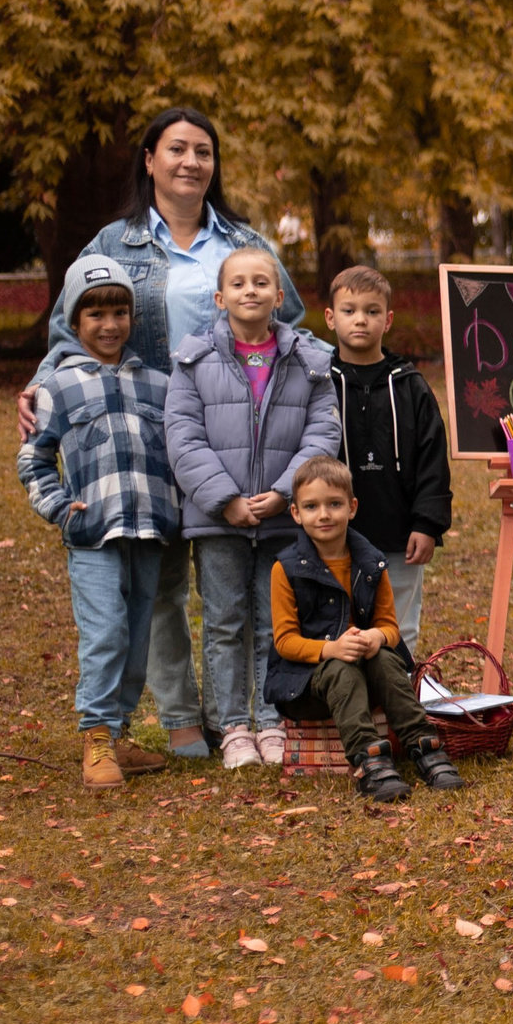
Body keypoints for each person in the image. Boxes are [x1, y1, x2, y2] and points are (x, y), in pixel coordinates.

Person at [19, 108, 305, 758]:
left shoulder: (244, 241)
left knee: (242, 580)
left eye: (203, 151)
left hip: (235, 432)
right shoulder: (112, 245)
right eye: (176, 149)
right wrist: (41, 385)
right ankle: (183, 721)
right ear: (148, 159)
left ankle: (250, 712)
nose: (190, 162)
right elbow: (71, 330)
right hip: (147, 430)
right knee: (163, 581)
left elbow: (289, 320)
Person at [163, 247, 341, 770]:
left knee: (274, 622)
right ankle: (233, 726)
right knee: (223, 620)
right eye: (238, 283)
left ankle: (271, 720)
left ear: (279, 297)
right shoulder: (193, 360)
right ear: (220, 297)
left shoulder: (309, 361)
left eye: (261, 282)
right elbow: (183, 437)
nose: (250, 291)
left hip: (284, 520)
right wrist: (226, 500)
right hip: (218, 521)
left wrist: (287, 491)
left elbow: (323, 430)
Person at [17, 257, 178, 789]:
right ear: (74, 320)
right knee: (105, 630)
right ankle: (96, 736)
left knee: (136, 635)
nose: (109, 325)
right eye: (95, 315)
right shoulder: (57, 388)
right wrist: (61, 508)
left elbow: (178, 453)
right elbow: (34, 460)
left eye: (120, 312)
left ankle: (120, 731)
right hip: (93, 534)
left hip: (150, 531)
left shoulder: (158, 384)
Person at [264, 455, 461, 804]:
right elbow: (285, 641)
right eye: (311, 506)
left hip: (365, 675)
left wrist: (375, 638)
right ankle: (370, 762)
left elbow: (390, 627)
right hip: (304, 687)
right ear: (296, 514)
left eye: (334, 504)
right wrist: (330, 649)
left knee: (386, 661)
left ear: (352, 507)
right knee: (341, 668)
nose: (323, 514)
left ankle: (426, 748)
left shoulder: (372, 561)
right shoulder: (286, 569)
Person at [322, 267, 451, 660]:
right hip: (334, 534)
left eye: (372, 311)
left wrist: (426, 523)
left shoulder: (410, 385)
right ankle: (349, 705)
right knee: (339, 623)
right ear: (330, 318)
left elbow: (433, 456)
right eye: (349, 310)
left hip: (399, 534)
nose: (360, 319)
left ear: (388, 319)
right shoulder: (318, 383)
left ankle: (398, 703)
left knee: (399, 624)